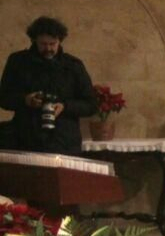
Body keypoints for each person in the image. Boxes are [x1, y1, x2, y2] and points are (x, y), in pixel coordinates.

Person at [0, 16, 95, 155]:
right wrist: (25, 100)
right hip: (25, 138)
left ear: (60, 41)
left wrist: (65, 106)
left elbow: (91, 104)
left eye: (53, 44)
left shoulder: (73, 66)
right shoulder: (18, 62)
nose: (48, 48)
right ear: (34, 40)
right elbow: (3, 98)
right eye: (43, 44)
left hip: (64, 141)